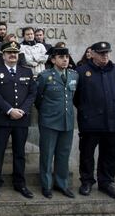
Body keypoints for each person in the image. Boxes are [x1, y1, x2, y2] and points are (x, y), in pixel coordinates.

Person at [74, 41, 115, 200]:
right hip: (90, 122)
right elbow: (76, 98)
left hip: (112, 121)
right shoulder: (81, 71)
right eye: (101, 53)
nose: (105, 55)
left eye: (107, 53)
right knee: (86, 154)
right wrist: (87, 110)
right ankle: (87, 181)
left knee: (111, 154)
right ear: (92, 54)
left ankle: (106, 182)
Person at [0, 41, 37, 199]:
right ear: (3, 55)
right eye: (9, 52)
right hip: (2, 119)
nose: (12, 55)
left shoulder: (27, 72)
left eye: (15, 52)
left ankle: (20, 183)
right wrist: (9, 110)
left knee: (19, 153)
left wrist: (21, 110)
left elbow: (32, 94)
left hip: (21, 119)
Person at [35, 46, 78, 199]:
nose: (65, 59)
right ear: (53, 60)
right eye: (61, 57)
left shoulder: (74, 75)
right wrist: (47, 113)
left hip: (67, 121)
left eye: (66, 56)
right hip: (49, 121)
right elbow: (37, 98)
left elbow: (74, 97)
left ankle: (62, 184)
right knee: (47, 154)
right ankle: (46, 186)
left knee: (63, 154)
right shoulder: (45, 76)